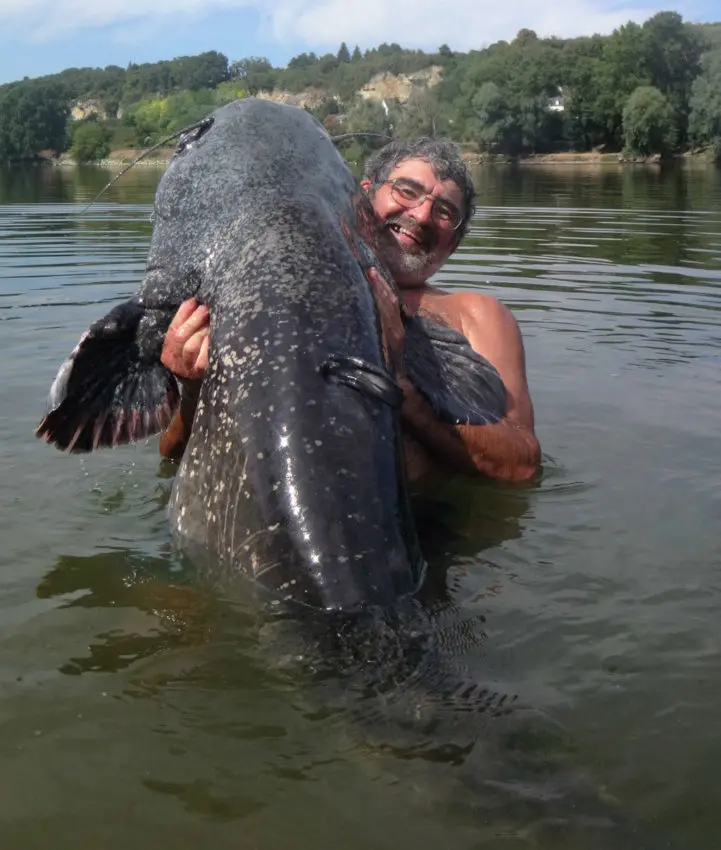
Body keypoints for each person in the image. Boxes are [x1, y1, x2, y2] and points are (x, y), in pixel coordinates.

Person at [159, 137, 541, 485]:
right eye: (407, 190)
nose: (422, 216)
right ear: (363, 200)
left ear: (454, 243)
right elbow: (172, 459)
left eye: (443, 211)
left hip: (436, 534)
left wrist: (399, 385)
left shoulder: (477, 314)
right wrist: (193, 390)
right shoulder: (277, 289)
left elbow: (522, 464)